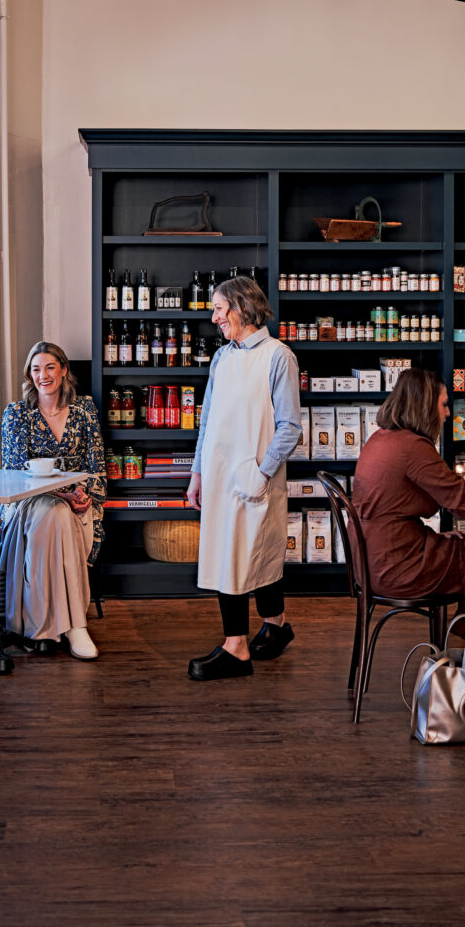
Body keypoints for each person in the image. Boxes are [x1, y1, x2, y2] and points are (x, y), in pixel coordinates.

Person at [352, 367, 465, 640]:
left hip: (375, 561)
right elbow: (463, 500)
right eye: (444, 405)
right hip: (400, 568)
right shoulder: (413, 447)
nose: (447, 413)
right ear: (425, 404)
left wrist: (440, 540)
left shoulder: (380, 439)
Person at [186, 276, 302, 681]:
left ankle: (235, 649)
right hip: (219, 476)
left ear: (242, 306)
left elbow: (290, 427)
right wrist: (197, 472)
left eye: (219, 308)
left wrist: (262, 472)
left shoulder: (278, 357)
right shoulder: (222, 358)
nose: (214, 317)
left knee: (244, 554)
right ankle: (276, 624)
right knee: (232, 554)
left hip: (255, 475)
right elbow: (208, 422)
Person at [0, 341, 106, 659]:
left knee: (60, 515)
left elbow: (96, 465)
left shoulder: (84, 409)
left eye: (49, 367)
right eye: (35, 369)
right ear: (29, 376)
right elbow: (15, 475)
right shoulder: (16, 414)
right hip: (27, 502)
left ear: (63, 370)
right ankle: (75, 626)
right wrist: (62, 495)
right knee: (55, 513)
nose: (42, 375)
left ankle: (41, 629)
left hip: (80, 501)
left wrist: (86, 499)